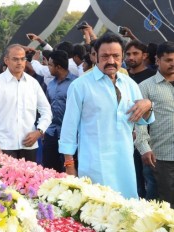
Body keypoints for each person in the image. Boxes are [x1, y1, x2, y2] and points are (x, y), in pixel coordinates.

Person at [59, 33, 154, 199]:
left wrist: (148, 105)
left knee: (126, 209)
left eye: (116, 56)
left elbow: (142, 121)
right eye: (105, 56)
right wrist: (69, 165)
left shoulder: (129, 84)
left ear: (122, 56)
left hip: (125, 163)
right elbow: (69, 128)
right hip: (95, 165)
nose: (111, 61)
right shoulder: (80, 85)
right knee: (97, 213)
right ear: (95, 56)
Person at [0, 44, 52, 162]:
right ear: (6, 60)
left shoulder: (33, 83)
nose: (19, 62)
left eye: (22, 59)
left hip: (29, 144)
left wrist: (39, 131)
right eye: (15, 59)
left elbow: (46, 111)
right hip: (4, 145)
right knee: (5, 180)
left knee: (30, 179)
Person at [135, 41, 174, 207]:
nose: (173, 63)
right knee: (166, 205)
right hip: (162, 155)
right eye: (169, 60)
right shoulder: (145, 87)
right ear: (157, 60)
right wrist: (144, 147)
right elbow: (139, 122)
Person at [124, 39, 157, 199]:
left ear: (144, 55)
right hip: (125, 139)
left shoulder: (152, 78)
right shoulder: (122, 79)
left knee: (150, 181)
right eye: (128, 54)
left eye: (135, 53)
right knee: (132, 180)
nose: (131, 57)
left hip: (148, 140)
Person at [43, 50, 77, 172]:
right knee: (49, 170)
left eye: (50, 65)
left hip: (70, 135)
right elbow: (47, 107)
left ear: (58, 67)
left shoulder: (76, 84)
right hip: (52, 132)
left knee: (69, 171)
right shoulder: (50, 84)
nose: (48, 68)